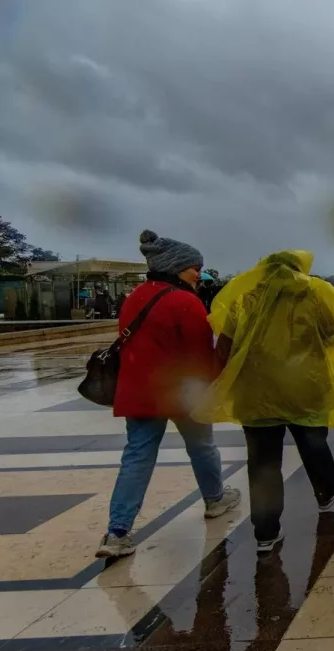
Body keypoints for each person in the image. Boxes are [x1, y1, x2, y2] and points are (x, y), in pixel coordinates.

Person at [196, 250, 334, 552]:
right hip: (304, 384)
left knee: (263, 464)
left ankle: (265, 532)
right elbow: (333, 333)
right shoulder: (315, 293)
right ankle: (326, 490)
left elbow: (226, 344)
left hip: (257, 390)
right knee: (314, 443)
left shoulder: (246, 295)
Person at [98, 230, 240, 558]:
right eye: (195, 267)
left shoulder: (135, 296)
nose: (198, 274)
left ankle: (117, 532)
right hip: (181, 393)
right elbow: (200, 355)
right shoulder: (185, 301)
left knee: (137, 457)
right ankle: (215, 499)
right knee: (202, 448)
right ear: (177, 267)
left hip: (141, 392)